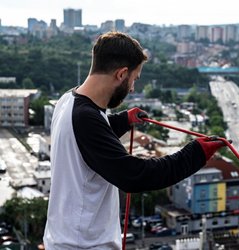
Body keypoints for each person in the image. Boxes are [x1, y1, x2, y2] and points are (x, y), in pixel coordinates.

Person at [43, 31, 226, 250]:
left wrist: (123, 120)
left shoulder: (68, 101)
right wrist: (195, 154)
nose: (132, 89)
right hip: (83, 245)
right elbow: (135, 176)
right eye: (134, 79)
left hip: (67, 239)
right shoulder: (86, 119)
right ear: (121, 74)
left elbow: (87, 138)